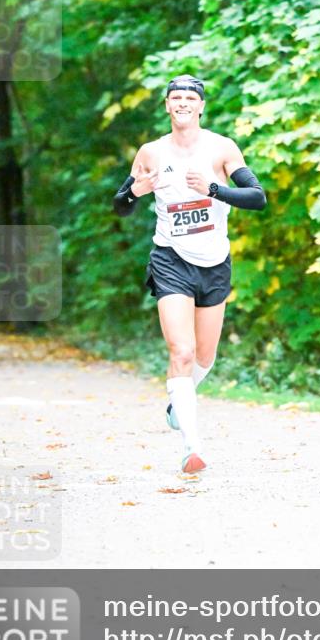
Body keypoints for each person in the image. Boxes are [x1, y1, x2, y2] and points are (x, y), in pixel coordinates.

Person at [113, 75, 266, 473]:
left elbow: (258, 197)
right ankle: (191, 448)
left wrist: (214, 190)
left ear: (200, 107)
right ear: (166, 106)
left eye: (189, 98)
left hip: (215, 262)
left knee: (204, 356)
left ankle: (177, 402)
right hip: (171, 259)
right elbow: (120, 205)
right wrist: (135, 193)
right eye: (175, 98)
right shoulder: (150, 152)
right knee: (180, 352)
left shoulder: (222, 148)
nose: (182, 103)